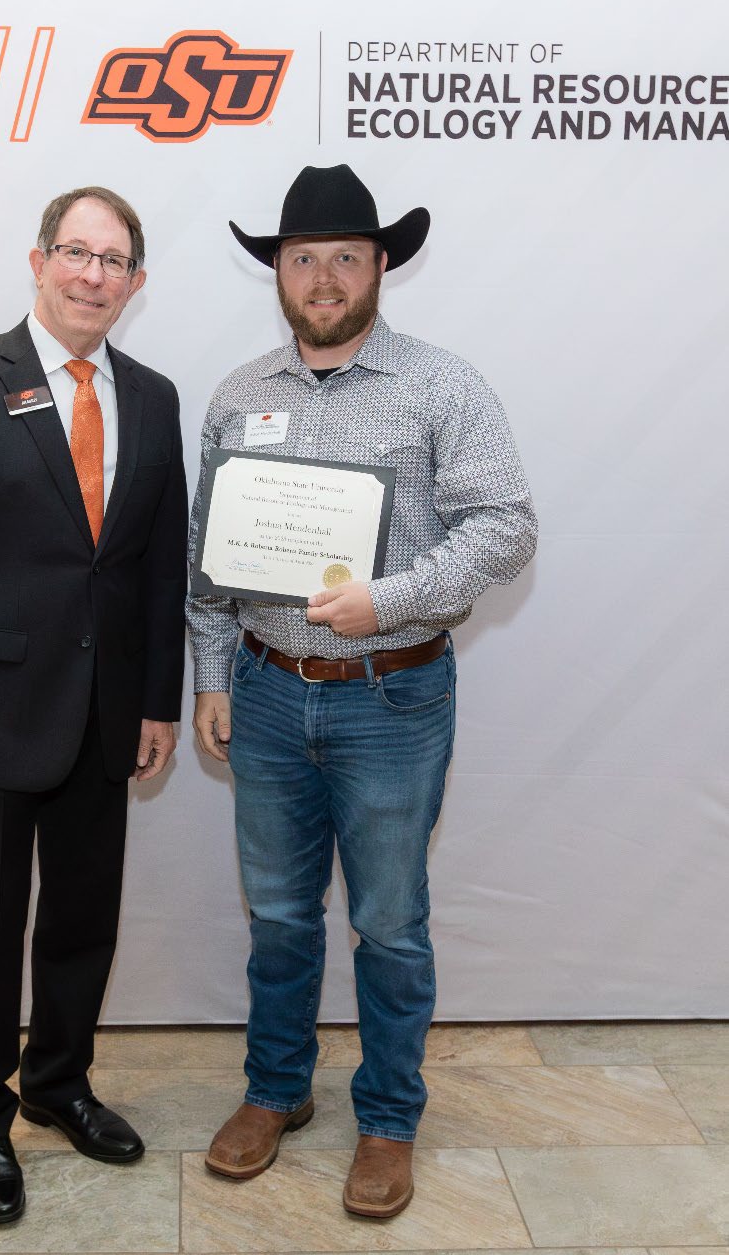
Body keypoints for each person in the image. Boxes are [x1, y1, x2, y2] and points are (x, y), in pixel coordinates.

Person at [186, 163, 536, 1219]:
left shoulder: (442, 386)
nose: (325, 277)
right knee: (279, 915)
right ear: (278, 272)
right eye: (304, 258)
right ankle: (275, 1091)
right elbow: (208, 564)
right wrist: (212, 676)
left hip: (392, 699)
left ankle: (386, 1116)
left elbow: (506, 528)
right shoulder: (237, 395)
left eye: (346, 256)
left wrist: (387, 598)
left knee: (388, 922)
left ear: (381, 264)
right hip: (263, 693)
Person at [0, 186, 187, 1225]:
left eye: (114, 261)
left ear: (135, 283)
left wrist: (157, 699)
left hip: (106, 714)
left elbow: (157, 563)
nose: (93, 275)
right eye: (76, 252)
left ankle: (60, 1083)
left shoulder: (153, 397)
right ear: (39, 260)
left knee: (81, 919)